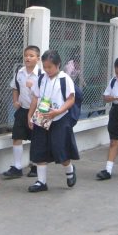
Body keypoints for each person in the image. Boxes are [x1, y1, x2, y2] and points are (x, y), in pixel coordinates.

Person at [26, 49, 79, 193]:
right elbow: (36, 97)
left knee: (60, 148)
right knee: (39, 148)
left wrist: (59, 111)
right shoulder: (41, 79)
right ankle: (41, 182)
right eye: (45, 66)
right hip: (42, 115)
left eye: (50, 67)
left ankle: (69, 170)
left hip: (59, 118)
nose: (47, 70)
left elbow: (71, 99)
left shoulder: (64, 79)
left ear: (58, 65)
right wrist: (30, 115)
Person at [3, 45, 41, 179]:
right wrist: (15, 101)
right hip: (23, 109)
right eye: (26, 55)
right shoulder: (20, 72)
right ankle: (17, 167)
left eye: (31, 56)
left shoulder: (42, 75)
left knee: (37, 139)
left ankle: (35, 166)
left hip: (38, 112)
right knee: (17, 136)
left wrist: (34, 87)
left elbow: (46, 95)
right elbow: (15, 88)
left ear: (38, 58)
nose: (28, 58)